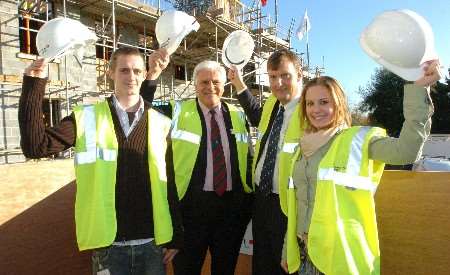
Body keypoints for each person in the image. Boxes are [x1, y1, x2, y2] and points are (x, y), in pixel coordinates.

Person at [19, 47, 182, 275]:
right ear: (110, 73)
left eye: (137, 71)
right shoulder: (87, 117)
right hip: (108, 248)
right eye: (124, 70)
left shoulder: (160, 123)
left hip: (152, 245)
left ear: (145, 75)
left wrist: (176, 237)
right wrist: (34, 85)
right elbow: (36, 146)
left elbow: (169, 182)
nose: (131, 77)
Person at [280, 60, 441, 275]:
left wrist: (418, 89)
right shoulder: (301, 146)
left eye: (323, 102)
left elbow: (407, 151)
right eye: (310, 104)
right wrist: (286, 250)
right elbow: (298, 204)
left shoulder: (358, 141)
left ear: (338, 104)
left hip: (340, 258)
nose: (316, 110)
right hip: (303, 254)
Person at [141, 60, 254, 275]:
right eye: (204, 82)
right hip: (190, 213)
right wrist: (153, 75)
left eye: (215, 82)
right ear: (195, 85)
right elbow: (141, 110)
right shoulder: (175, 110)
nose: (210, 87)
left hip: (231, 213)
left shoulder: (239, 115)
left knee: (225, 269)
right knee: (187, 270)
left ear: (224, 85)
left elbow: (248, 157)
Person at [228, 48, 303, 275]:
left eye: (285, 75)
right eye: (272, 77)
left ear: (299, 74)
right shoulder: (273, 104)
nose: (278, 83)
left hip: (290, 207)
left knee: (287, 267)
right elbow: (257, 117)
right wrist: (239, 84)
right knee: (262, 265)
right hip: (262, 202)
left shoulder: (311, 109)